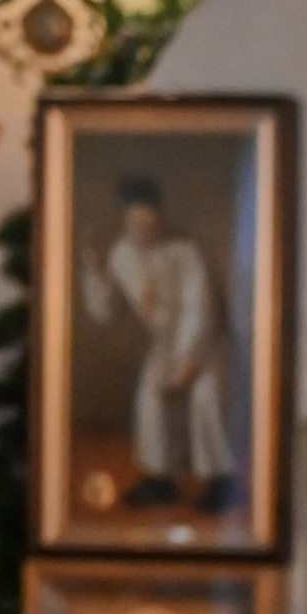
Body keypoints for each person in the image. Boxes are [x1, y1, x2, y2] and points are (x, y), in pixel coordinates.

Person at [79, 172, 235, 512]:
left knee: (204, 402)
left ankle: (220, 481)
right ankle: (160, 480)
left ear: (158, 217)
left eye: (148, 221)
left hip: (204, 346)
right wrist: (92, 269)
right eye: (134, 222)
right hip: (162, 346)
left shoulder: (185, 253)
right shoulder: (121, 255)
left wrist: (186, 362)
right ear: (126, 220)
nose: (142, 229)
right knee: (151, 403)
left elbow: (200, 310)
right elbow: (104, 311)